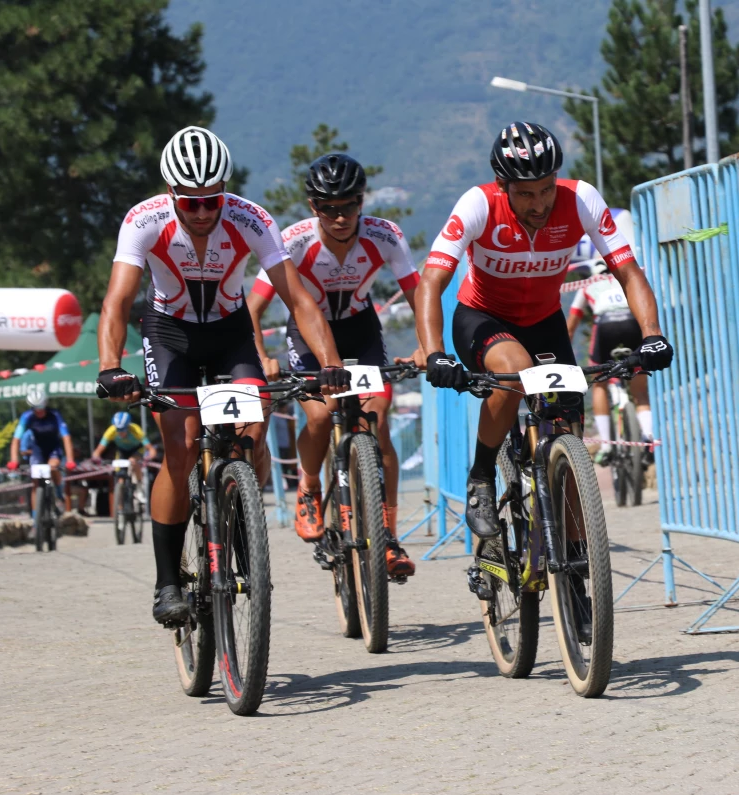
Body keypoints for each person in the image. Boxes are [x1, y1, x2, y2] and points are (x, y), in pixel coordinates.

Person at [96, 126, 350, 625]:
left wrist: (331, 363)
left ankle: (241, 522)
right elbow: (118, 300)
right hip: (170, 333)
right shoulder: (143, 220)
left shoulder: (250, 219)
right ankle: (167, 580)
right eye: (190, 203)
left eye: (211, 200)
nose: (203, 212)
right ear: (171, 194)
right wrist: (111, 366)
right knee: (182, 442)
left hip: (230, 331)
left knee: (254, 423)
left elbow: (298, 298)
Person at [414, 121, 674, 538]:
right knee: (515, 371)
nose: (539, 204)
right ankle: (481, 478)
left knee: (568, 434)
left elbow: (628, 272)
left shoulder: (581, 199)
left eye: (546, 189)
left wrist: (652, 333)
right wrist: (433, 352)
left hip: (544, 322)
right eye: (525, 193)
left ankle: (571, 561)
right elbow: (431, 281)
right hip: (483, 318)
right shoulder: (478, 204)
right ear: (503, 186)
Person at [247, 153, 420, 578]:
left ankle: (389, 536)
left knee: (377, 423)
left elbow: (419, 295)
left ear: (362, 201)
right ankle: (309, 485)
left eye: (349, 205)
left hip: (359, 328)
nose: (340, 217)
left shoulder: (385, 236)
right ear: (313, 207)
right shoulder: (294, 240)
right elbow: (253, 309)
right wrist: (263, 357)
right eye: (329, 208)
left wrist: (424, 347)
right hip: (308, 334)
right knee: (322, 416)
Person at [565, 233, 654, 465]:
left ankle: (606, 444)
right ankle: (649, 438)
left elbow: (571, 326)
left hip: (605, 327)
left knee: (599, 384)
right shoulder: (627, 275)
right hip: (632, 323)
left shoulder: (587, 285)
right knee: (641, 391)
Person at [6, 386, 77, 513]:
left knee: (53, 467)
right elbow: (16, 439)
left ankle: (59, 492)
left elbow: (66, 437)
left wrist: (70, 460)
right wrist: (14, 460)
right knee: (35, 482)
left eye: (41, 408)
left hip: (53, 447)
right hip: (37, 449)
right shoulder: (27, 416)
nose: (38, 411)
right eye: (35, 409)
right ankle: (35, 519)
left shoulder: (55, 415)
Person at [92, 411, 158, 514]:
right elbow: (99, 450)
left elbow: (151, 449)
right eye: (118, 430)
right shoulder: (111, 431)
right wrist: (96, 457)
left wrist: (150, 456)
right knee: (120, 479)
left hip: (137, 450)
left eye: (123, 430)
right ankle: (120, 507)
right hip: (122, 451)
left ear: (128, 426)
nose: (120, 433)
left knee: (133, 461)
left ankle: (139, 487)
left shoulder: (136, 430)